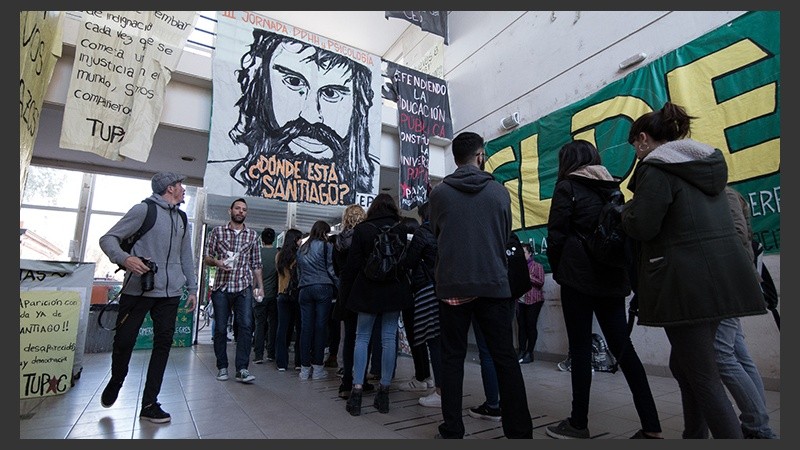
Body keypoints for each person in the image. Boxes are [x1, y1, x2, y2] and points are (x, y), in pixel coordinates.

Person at [620, 102, 766, 439]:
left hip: (685, 283)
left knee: (704, 376)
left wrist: (625, 212)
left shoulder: (655, 169)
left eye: (634, 147)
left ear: (643, 139)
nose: (636, 155)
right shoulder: (705, 167)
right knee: (685, 366)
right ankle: (694, 435)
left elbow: (643, 226)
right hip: (719, 278)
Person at [544, 139, 662, 439]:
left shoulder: (566, 187)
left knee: (580, 350)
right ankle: (651, 425)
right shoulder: (613, 187)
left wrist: (561, 270)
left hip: (577, 279)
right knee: (623, 348)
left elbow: (556, 236)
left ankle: (578, 423)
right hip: (612, 277)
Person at [428, 131, 532, 439]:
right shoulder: (499, 192)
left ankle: (452, 427)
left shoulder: (440, 193)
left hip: (453, 285)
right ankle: (519, 430)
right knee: (505, 358)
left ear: (455, 158)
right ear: (481, 155)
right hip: (493, 283)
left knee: (452, 357)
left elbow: (437, 233)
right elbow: (504, 235)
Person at [208, 29, 378, 205]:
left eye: (330, 93)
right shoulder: (223, 176)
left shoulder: (368, 184)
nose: (311, 116)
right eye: (293, 82)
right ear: (260, 85)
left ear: (357, 107)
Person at [98, 172, 197, 423]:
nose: (184, 189)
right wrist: (125, 259)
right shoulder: (144, 210)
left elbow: (187, 256)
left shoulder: (184, 218)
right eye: (180, 185)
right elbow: (108, 238)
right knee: (124, 341)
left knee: (163, 345)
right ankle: (117, 379)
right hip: (138, 290)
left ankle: (150, 403)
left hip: (171, 293)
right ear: (170, 188)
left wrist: (193, 289)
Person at [340, 193, 413, 416]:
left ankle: (357, 391)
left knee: (362, 338)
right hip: (393, 288)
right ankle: (384, 391)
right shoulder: (400, 229)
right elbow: (405, 262)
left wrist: (347, 294)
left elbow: (352, 266)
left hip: (367, 289)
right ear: (393, 209)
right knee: (388, 338)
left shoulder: (363, 229)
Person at [717, 186, 778, 439]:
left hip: (728, 281)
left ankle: (758, 425)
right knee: (739, 353)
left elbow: (738, 235)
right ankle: (758, 422)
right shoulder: (727, 194)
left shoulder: (724, 195)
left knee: (722, 356)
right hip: (732, 282)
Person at [203, 198, 264, 384]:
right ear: (230, 211)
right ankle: (222, 366)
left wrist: (260, 286)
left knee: (246, 325)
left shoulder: (252, 236)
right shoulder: (218, 232)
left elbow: (256, 263)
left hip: (243, 286)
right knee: (221, 328)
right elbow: (206, 257)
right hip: (222, 286)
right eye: (237, 208)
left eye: (244, 209)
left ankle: (242, 369)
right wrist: (217, 262)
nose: (241, 211)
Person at [398, 202, 442, 408]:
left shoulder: (424, 232)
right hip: (445, 288)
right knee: (440, 339)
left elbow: (410, 262)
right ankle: (438, 384)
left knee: (430, 338)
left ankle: (440, 390)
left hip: (425, 289)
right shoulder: (446, 229)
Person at [331, 204, 375, 398]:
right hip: (364, 290)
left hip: (345, 291)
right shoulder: (365, 237)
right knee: (364, 338)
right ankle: (361, 379)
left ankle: (346, 382)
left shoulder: (338, 241)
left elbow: (336, 268)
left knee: (349, 338)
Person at [296, 220, 339, 380]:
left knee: (306, 329)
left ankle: (304, 369)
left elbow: (299, 272)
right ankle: (318, 368)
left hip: (304, 289)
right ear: (324, 232)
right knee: (321, 328)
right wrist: (339, 286)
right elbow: (330, 269)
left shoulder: (302, 248)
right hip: (322, 288)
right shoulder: (326, 246)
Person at [275, 228, 304, 372]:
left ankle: (281, 362)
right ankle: (298, 362)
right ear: (295, 239)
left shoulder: (279, 256)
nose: (300, 241)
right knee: (299, 328)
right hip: (297, 294)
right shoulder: (299, 256)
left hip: (282, 295)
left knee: (282, 328)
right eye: (299, 239)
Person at [253, 227, 279, 364]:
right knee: (273, 324)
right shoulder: (277, 254)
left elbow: (253, 275)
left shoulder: (257, 253)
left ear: (261, 239)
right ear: (274, 239)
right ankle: (271, 353)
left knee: (259, 324)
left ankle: (258, 355)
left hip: (258, 294)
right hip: (273, 294)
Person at [516, 243, 545, 364]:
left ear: (530, 253)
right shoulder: (517, 267)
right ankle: (521, 351)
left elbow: (541, 282)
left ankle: (530, 352)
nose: (522, 256)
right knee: (521, 326)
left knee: (530, 325)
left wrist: (528, 277)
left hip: (534, 300)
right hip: (520, 300)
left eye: (524, 253)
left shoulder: (537, 266)